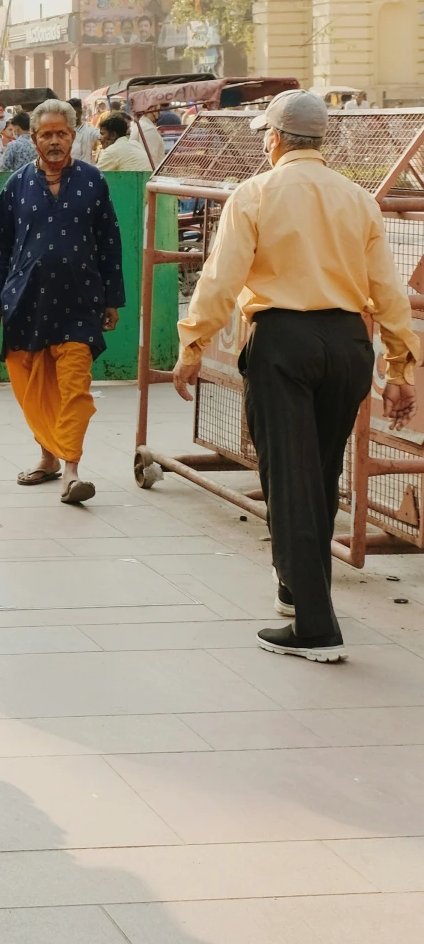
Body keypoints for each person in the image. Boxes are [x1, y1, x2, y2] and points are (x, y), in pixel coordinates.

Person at [172, 88, 418, 662]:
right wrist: (400, 366)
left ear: (276, 138)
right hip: (347, 345)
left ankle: (315, 627)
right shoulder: (358, 199)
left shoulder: (255, 193)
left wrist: (193, 342)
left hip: (284, 342)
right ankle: (297, 587)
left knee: (289, 478)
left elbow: (220, 278)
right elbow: (388, 289)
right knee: (323, 469)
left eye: (265, 134)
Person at [0, 97, 124, 506]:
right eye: (46, 134)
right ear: (33, 138)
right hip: (25, 303)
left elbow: (109, 243)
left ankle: (72, 471)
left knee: (74, 389)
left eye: (62, 133)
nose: (55, 141)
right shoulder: (16, 185)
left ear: (73, 136)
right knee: (33, 387)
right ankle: (47, 458)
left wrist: (112, 299)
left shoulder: (93, 181)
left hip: (80, 303)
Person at [0, 108, 37, 172]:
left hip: (19, 180)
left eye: (13, 129)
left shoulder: (13, 145)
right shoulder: (37, 143)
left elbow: (4, 168)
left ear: (17, 128)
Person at [70, 100, 102, 164]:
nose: (75, 116)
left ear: (80, 112)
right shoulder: (62, 132)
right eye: (71, 113)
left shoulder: (89, 131)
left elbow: (102, 135)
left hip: (84, 171)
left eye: (76, 113)